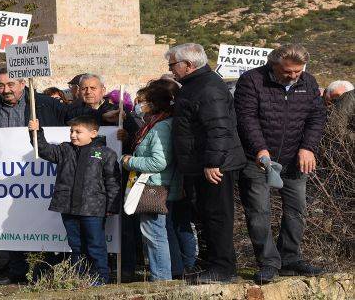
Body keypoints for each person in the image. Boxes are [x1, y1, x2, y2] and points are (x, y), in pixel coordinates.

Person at [0, 68, 95, 285]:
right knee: (13, 222)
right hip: (8, 179)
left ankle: (43, 273)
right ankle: (16, 272)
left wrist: (103, 116)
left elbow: (74, 118)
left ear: (23, 83)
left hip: (41, 175)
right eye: (1, 85)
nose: (5, 90)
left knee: (42, 221)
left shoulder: (43, 103)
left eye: (10, 84)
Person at [234, 44, 327, 284]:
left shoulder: (308, 81)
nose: (294, 76)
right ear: (273, 65)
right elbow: (246, 118)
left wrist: (308, 148)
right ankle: (268, 262)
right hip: (257, 160)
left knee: (297, 209)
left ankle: (290, 259)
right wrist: (259, 148)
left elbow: (316, 117)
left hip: (295, 159)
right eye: (288, 72)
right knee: (259, 212)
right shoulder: (252, 80)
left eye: (298, 71)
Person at [168, 43, 246, 284]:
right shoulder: (194, 86)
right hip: (200, 163)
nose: (171, 70)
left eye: (173, 65)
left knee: (217, 216)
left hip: (214, 165)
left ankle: (223, 268)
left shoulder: (208, 88)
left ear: (188, 65)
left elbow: (219, 129)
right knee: (205, 215)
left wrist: (213, 162)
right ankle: (213, 264)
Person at [29, 115, 121, 285]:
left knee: (95, 245)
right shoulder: (65, 149)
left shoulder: (106, 153)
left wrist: (112, 206)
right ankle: (80, 276)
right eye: (71, 131)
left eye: (78, 132)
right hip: (68, 207)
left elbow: (113, 181)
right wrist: (36, 132)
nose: (73, 135)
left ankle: (100, 277)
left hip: (93, 209)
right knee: (76, 245)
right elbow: (43, 149)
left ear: (93, 133)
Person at [120, 79, 191, 282]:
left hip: (155, 186)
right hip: (160, 185)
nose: (140, 104)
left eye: (145, 100)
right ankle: (169, 273)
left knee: (154, 234)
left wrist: (129, 161)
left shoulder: (161, 127)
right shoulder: (157, 124)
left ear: (153, 103)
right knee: (160, 232)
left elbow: (158, 162)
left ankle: (161, 278)